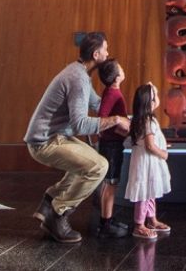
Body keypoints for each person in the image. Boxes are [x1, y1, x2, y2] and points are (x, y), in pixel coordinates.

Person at [24, 32, 131, 243]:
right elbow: (80, 124)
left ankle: (49, 201)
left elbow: (99, 105)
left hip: (56, 137)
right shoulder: (78, 79)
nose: (108, 53)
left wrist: (130, 114)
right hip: (44, 143)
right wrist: (116, 120)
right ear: (96, 53)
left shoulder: (79, 73)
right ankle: (58, 214)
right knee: (99, 166)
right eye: (106, 49)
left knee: (88, 162)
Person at [125, 82, 172, 240]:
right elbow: (150, 145)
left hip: (147, 162)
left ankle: (151, 219)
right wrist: (163, 154)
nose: (158, 99)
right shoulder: (147, 121)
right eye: (155, 96)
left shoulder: (145, 119)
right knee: (144, 191)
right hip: (147, 161)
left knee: (150, 189)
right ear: (150, 102)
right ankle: (139, 224)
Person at [95, 59, 129, 238]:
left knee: (111, 184)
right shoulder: (111, 94)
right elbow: (102, 119)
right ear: (116, 77)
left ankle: (108, 219)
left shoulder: (113, 91)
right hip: (111, 146)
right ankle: (105, 224)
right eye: (121, 68)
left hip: (114, 144)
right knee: (110, 184)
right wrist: (119, 128)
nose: (124, 69)